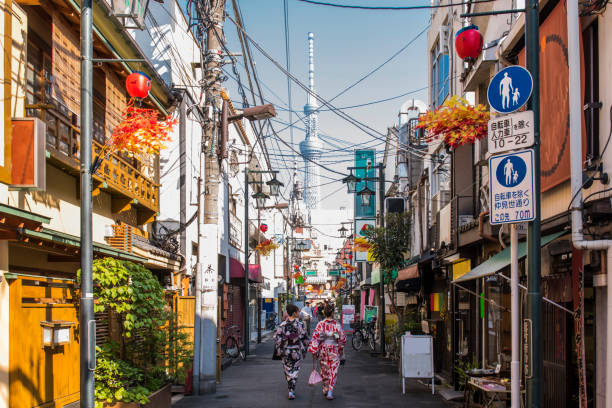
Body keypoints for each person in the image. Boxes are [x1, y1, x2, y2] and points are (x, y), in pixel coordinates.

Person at [308, 303, 346, 400]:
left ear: (324, 313)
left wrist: (314, 350)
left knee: (324, 370)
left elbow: (315, 338)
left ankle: (325, 388)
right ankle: (330, 391)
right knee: (333, 371)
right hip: (334, 349)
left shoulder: (320, 324)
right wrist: (340, 348)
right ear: (333, 313)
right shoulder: (337, 325)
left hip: (323, 350)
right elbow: (342, 339)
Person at [274, 304, 309, 400]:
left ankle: (290, 390)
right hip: (296, 350)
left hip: (285, 351)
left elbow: (277, 338)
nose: (299, 313)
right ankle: (291, 390)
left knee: (288, 370)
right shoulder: (300, 325)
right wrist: (305, 349)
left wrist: (280, 347)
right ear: (294, 313)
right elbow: (304, 338)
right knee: (295, 370)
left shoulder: (282, 325)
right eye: (298, 311)